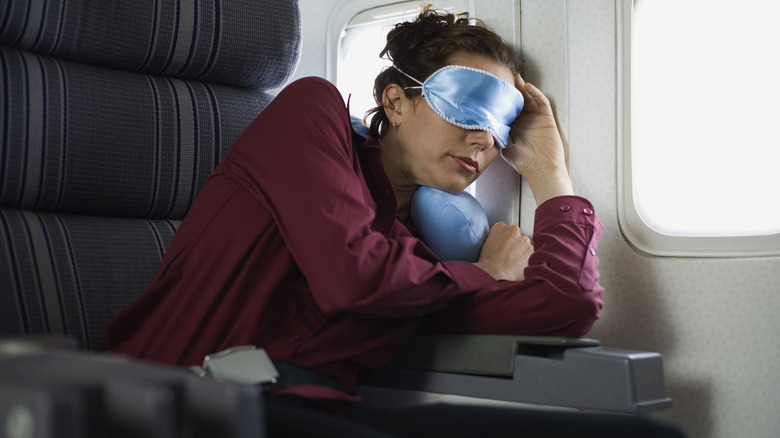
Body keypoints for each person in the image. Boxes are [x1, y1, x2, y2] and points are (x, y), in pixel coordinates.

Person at [107, 7, 682, 438]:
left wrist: (551, 176)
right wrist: (484, 274)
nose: (485, 139)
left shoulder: (423, 259)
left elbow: (567, 306)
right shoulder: (312, 113)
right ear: (396, 101)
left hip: (314, 408)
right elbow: (353, 278)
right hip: (183, 404)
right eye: (469, 105)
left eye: (503, 127)